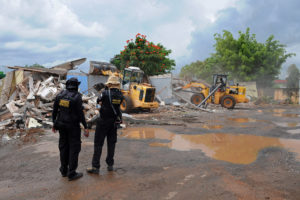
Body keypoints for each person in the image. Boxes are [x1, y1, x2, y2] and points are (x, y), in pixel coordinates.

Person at [52, 77, 89, 181]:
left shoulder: (60, 95)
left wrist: (54, 124)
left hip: (61, 126)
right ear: (76, 86)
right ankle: (71, 173)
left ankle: (64, 171)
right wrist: (86, 127)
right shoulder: (77, 97)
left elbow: (54, 110)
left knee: (63, 147)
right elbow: (80, 114)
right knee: (74, 149)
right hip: (73, 127)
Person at [87, 75, 124, 174]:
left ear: (110, 84)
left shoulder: (105, 93)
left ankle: (95, 167)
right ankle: (110, 165)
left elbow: (98, 101)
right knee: (111, 144)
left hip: (103, 122)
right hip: (113, 123)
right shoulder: (121, 95)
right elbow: (117, 106)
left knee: (98, 144)